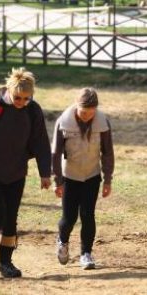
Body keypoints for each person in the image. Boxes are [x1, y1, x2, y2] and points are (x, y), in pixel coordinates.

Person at [0, 67, 51, 278]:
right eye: (17, 97)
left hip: (16, 172)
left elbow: (41, 142)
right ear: (9, 90)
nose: (21, 102)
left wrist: (45, 172)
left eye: (26, 98)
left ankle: (6, 262)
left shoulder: (33, 110)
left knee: (11, 220)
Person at [52, 88, 114, 270]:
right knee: (69, 217)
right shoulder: (63, 123)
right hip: (70, 176)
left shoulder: (103, 123)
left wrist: (108, 179)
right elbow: (55, 154)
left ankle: (86, 253)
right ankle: (62, 241)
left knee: (88, 215)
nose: (87, 116)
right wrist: (58, 181)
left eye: (91, 113)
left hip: (92, 176)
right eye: (83, 112)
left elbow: (108, 152)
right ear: (76, 106)